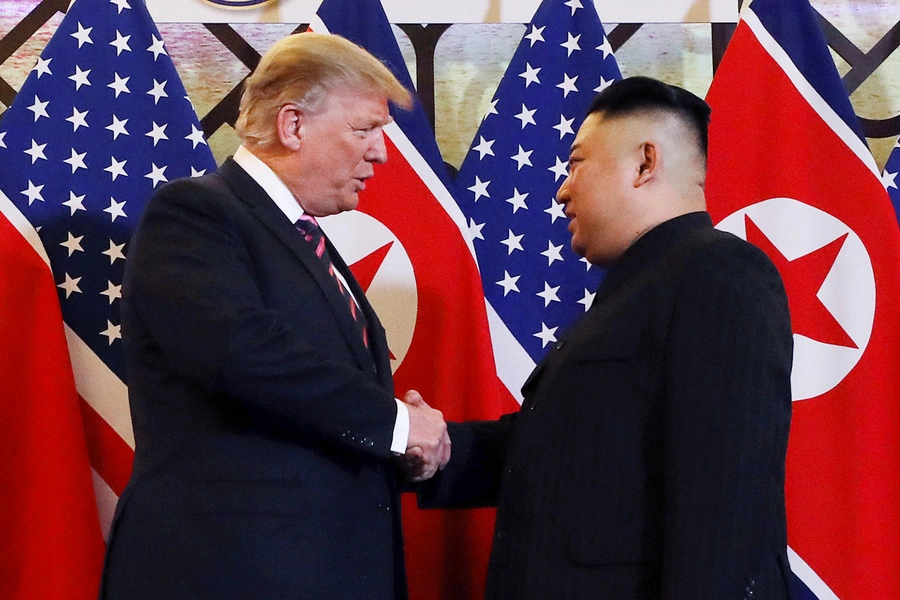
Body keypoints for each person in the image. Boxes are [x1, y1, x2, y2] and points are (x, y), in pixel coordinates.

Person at [100, 33, 450, 600]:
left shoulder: (304, 237)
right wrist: (398, 425)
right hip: (232, 574)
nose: (382, 153)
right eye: (364, 130)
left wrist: (400, 442)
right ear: (293, 125)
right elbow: (241, 351)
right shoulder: (195, 213)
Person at [416, 76, 794, 599]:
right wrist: (438, 450)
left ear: (644, 164)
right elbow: (564, 452)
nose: (562, 189)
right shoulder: (637, 289)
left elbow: (725, 503)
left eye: (575, 164)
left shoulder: (717, 272)